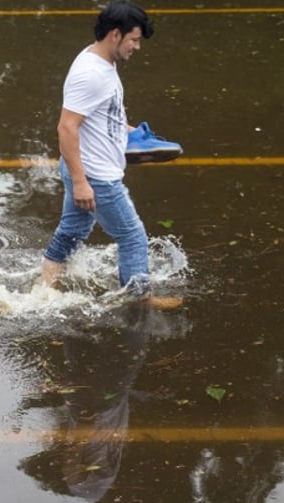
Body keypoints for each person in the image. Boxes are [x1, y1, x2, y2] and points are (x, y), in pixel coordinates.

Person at [41, 0, 182, 310]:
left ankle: (43, 291)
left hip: (86, 167)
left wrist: (132, 134)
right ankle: (139, 301)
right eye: (134, 40)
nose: (137, 47)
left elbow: (103, 116)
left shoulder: (101, 62)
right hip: (96, 175)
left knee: (72, 230)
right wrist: (81, 182)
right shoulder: (92, 74)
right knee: (134, 237)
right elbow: (66, 127)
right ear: (115, 35)